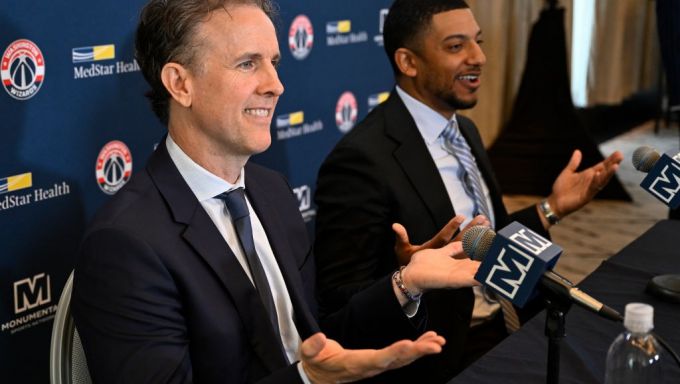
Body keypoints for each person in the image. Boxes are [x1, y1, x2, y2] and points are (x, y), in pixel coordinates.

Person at [71, 0, 485, 383]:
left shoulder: (271, 191)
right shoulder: (125, 243)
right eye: (248, 64)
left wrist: (404, 283)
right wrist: (306, 379)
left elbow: (319, 339)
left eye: (274, 62)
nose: (276, 85)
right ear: (180, 84)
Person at [314, 0, 624, 381]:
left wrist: (552, 208)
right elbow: (338, 309)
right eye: (456, 47)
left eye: (478, 42)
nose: (479, 57)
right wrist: (407, 275)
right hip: (440, 355)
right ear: (408, 62)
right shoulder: (360, 161)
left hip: (510, 319)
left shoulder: (465, 132)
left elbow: (486, 242)